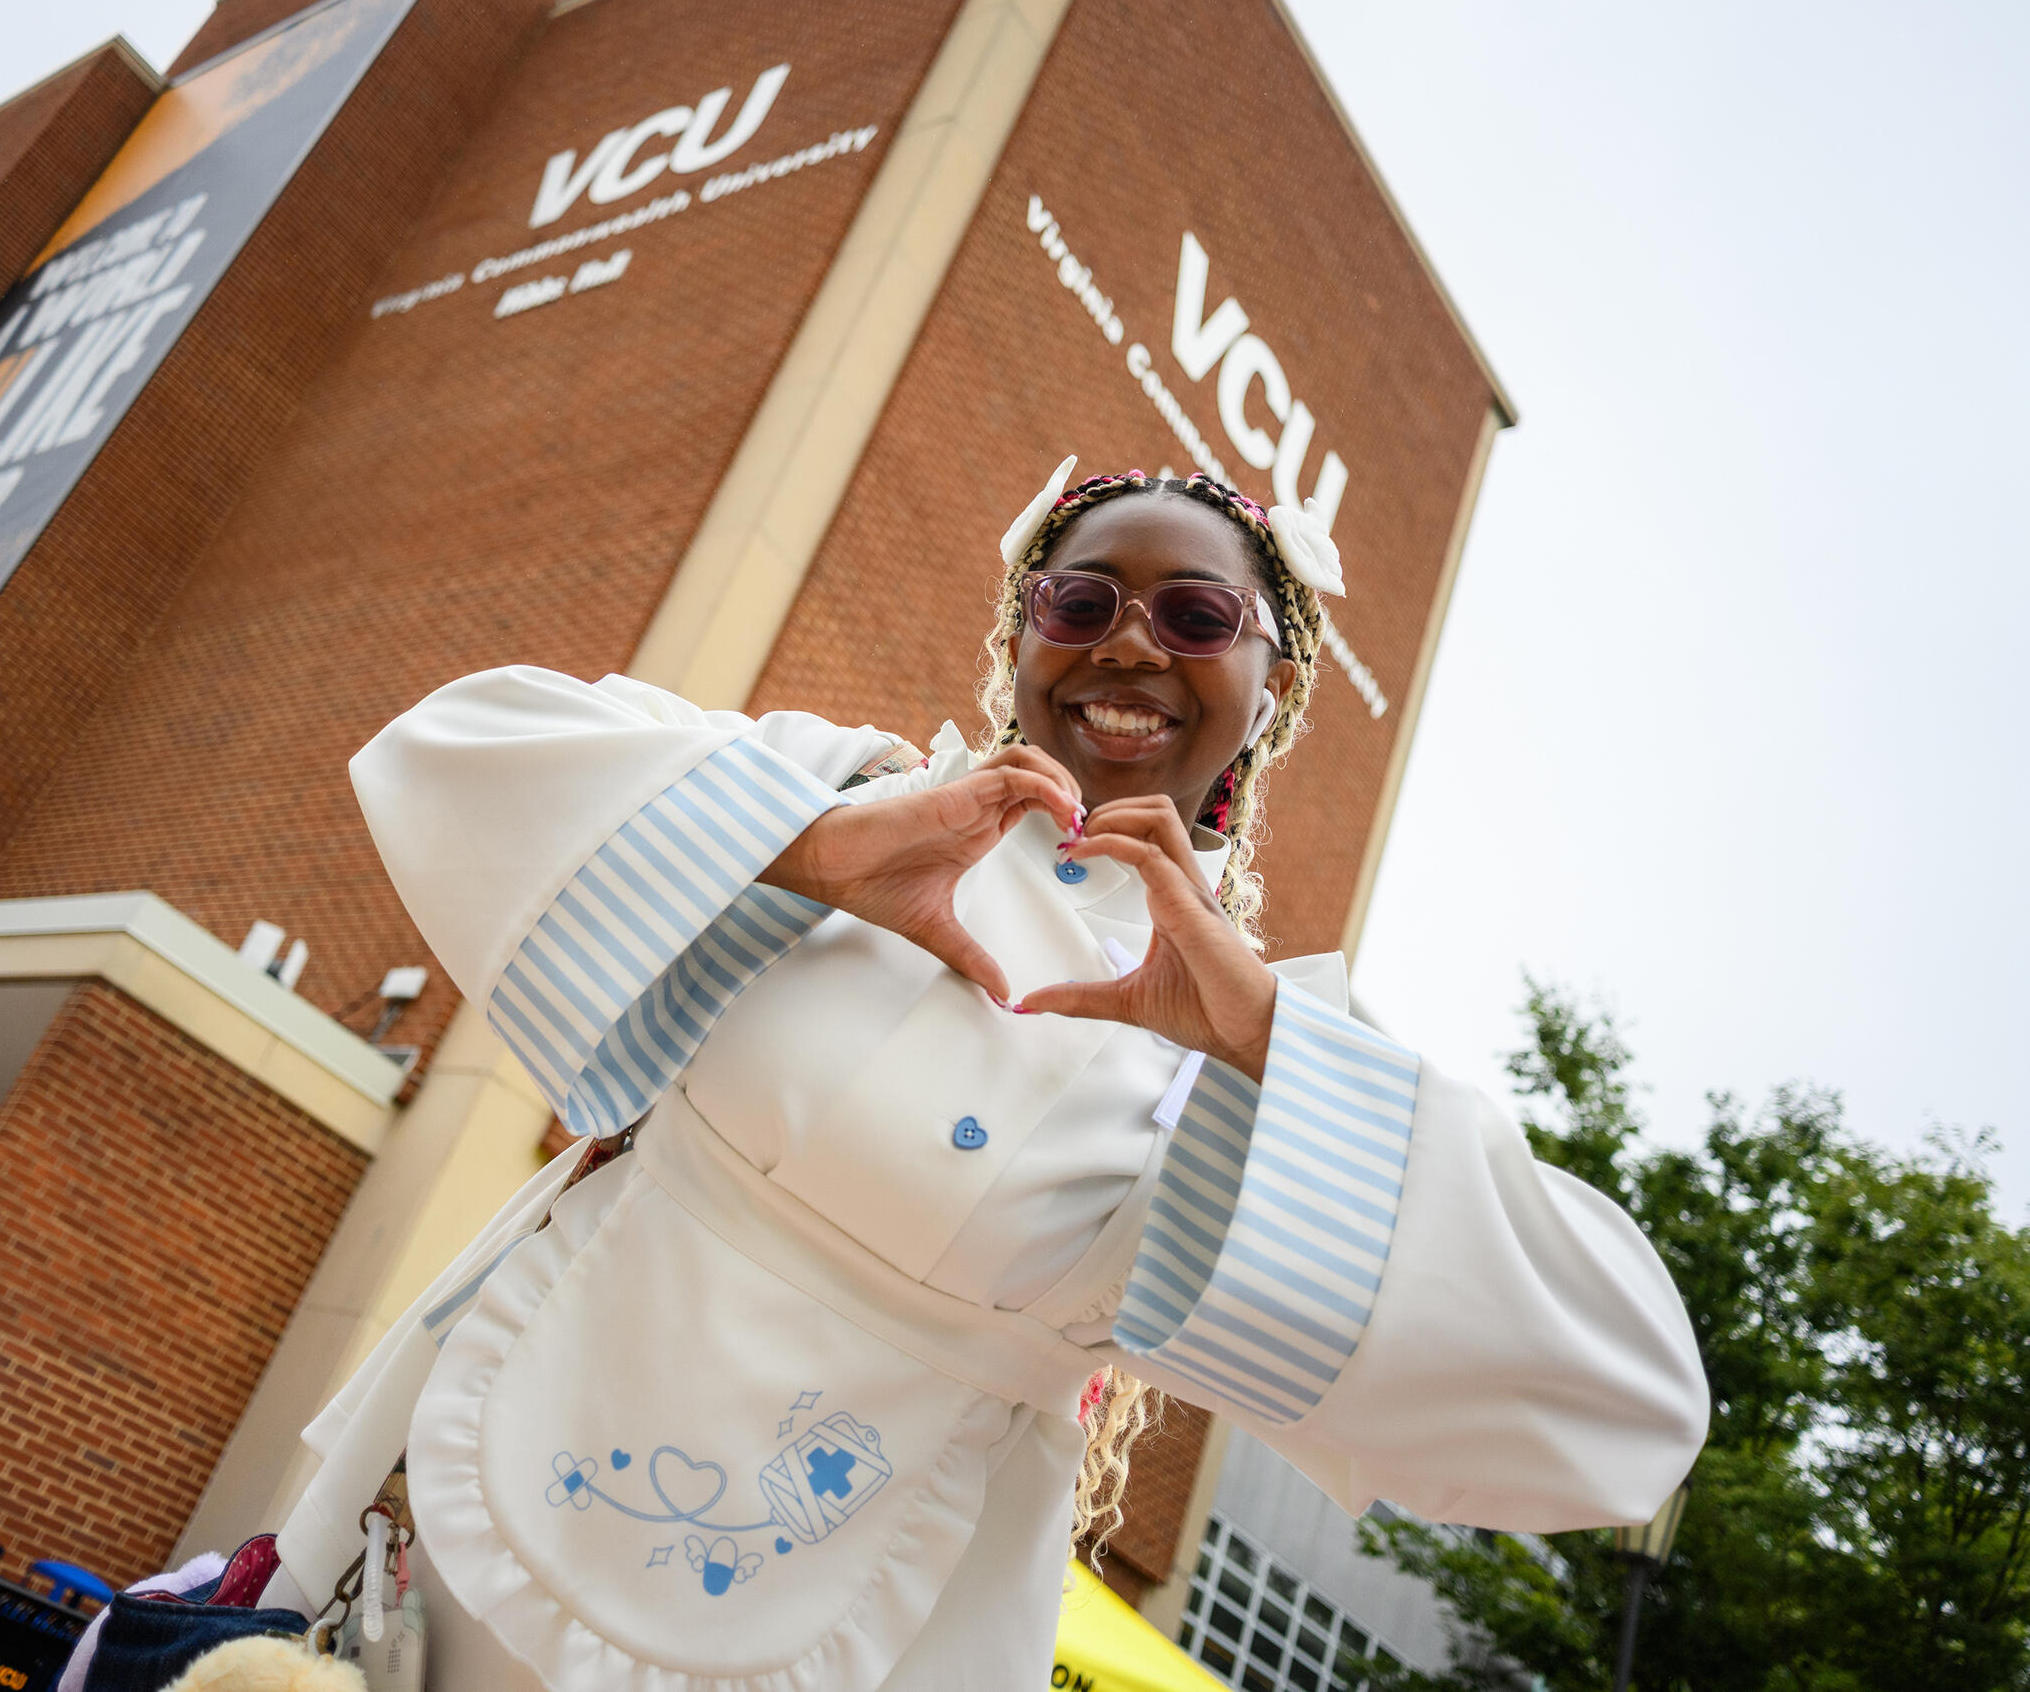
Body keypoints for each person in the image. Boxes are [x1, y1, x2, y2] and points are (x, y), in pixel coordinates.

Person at [262, 463, 1708, 1691]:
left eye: (1199, 616)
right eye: (1081, 601)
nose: (1131, 645)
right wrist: (807, 856)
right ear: (1025, 633)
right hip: (468, 1495)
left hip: (890, 1615)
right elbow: (442, 747)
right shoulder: (836, 789)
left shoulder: (1266, 1053)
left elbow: (1628, 1412)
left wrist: (1268, 1043)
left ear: (1270, 688)